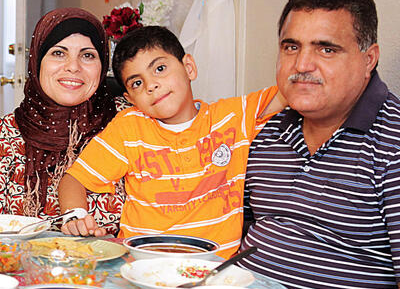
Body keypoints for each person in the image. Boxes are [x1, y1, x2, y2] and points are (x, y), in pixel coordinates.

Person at [58, 25, 284, 259]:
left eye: (160, 68)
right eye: (137, 83)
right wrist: (75, 217)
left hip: (213, 267)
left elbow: (290, 91)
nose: (151, 86)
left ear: (189, 67)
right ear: (130, 98)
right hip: (142, 262)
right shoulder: (129, 127)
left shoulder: (233, 116)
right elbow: (73, 180)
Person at [239, 0, 400, 289]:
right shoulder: (267, 131)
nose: (301, 65)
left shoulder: (392, 142)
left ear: (369, 59)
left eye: (326, 49)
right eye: (291, 47)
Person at [0, 7, 130, 234]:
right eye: (59, 53)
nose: (73, 66)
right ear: (37, 61)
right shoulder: (5, 135)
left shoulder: (132, 124)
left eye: (88, 55)